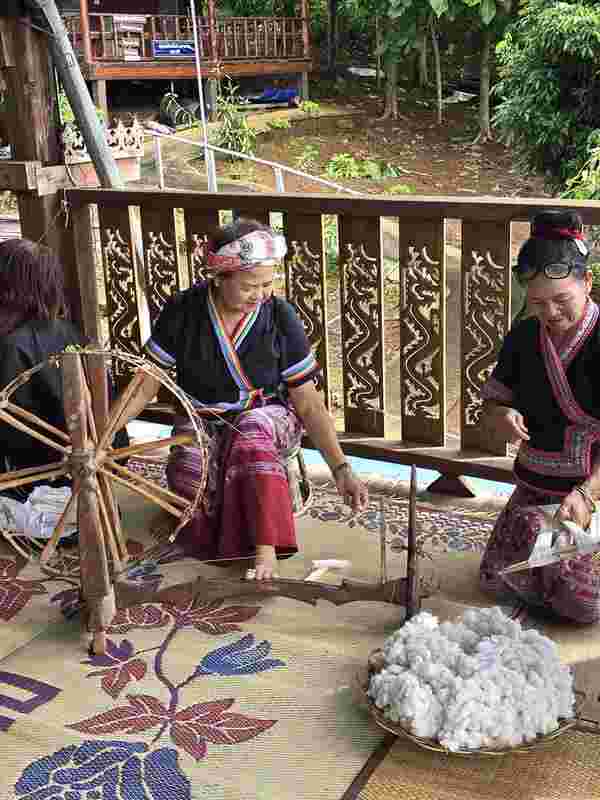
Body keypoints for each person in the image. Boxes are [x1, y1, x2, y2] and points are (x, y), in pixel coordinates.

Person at [124, 219, 368, 580]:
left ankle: (264, 547)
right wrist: (102, 438)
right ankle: (238, 515)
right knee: (189, 477)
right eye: (250, 286)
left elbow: (308, 403)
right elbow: (145, 383)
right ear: (219, 278)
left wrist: (341, 469)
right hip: (203, 419)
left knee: (250, 433)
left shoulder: (279, 315)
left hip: (267, 417)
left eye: (268, 284)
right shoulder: (184, 310)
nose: (260, 295)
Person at [479, 209, 600, 623]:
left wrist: (587, 494)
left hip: (592, 493)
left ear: (587, 282)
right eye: (538, 303)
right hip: (536, 489)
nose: (550, 313)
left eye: (562, 299)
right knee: (495, 579)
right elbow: (492, 403)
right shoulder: (524, 337)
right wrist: (502, 415)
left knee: (584, 602)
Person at [0, 238, 84, 497]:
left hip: (33, 472)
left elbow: (11, 432)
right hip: (77, 457)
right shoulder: (70, 332)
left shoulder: (12, 345)